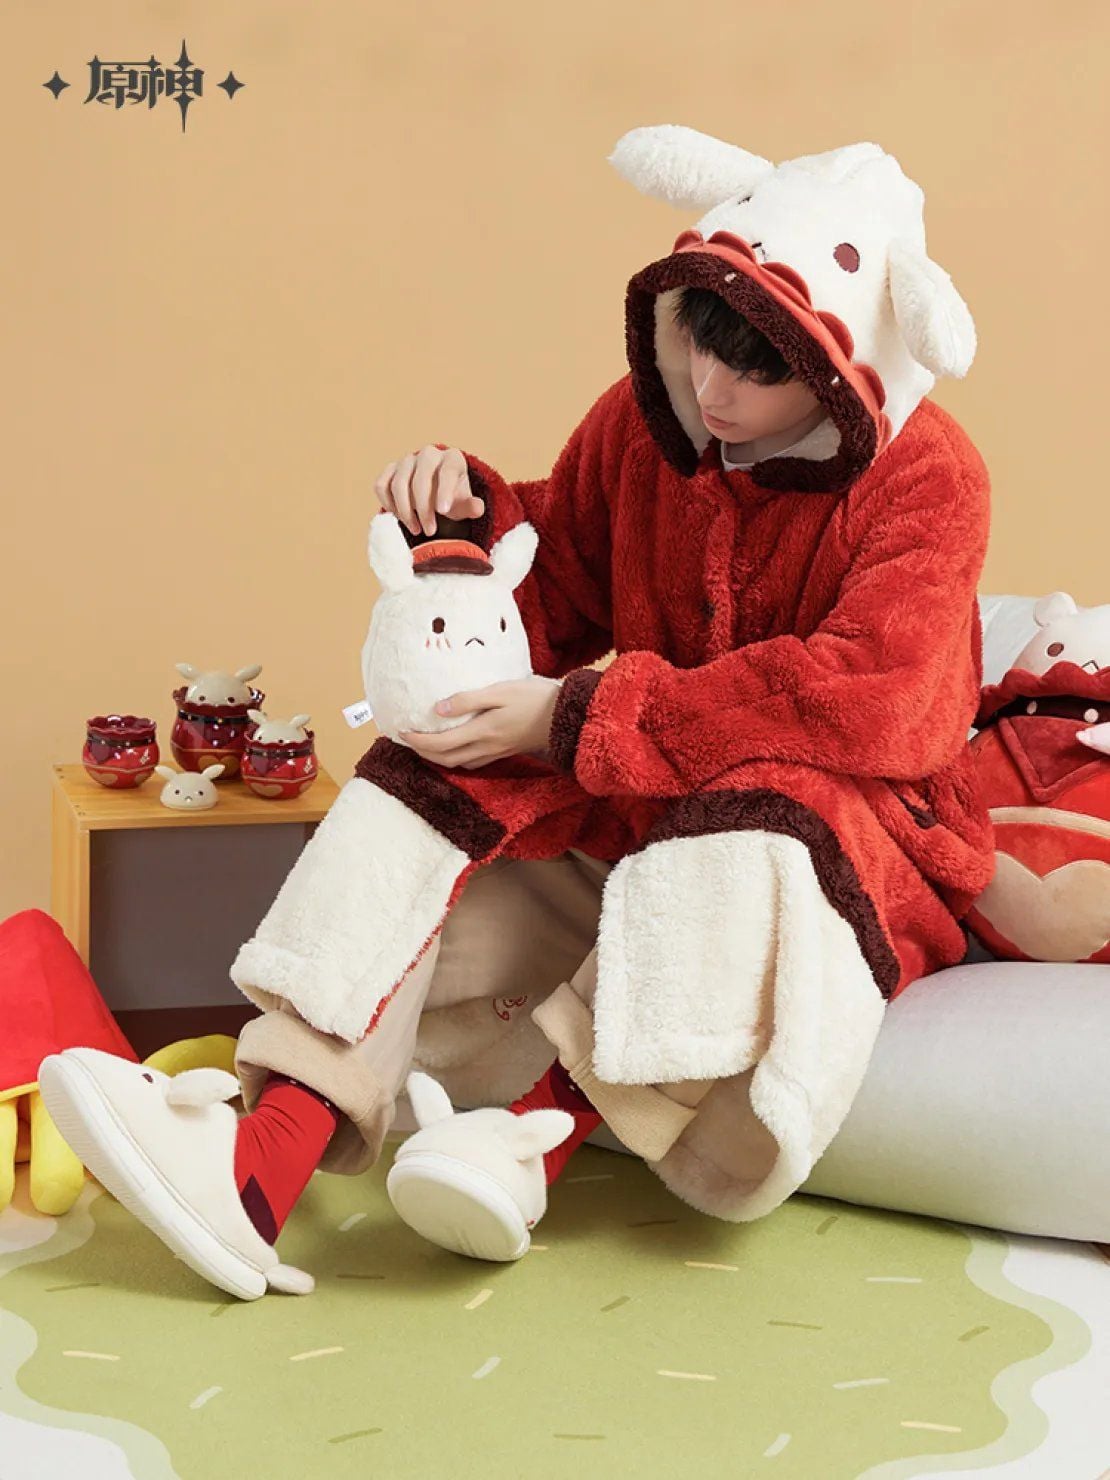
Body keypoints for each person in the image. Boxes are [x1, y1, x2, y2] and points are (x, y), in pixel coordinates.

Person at [38, 128, 994, 1301]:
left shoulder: (929, 479)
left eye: (757, 370)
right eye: (703, 340)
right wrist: (462, 532)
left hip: (858, 838)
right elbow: (557, 582)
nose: (712, 389)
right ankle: (256, 1163)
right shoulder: (650, 425)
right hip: (645, 798)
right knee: (433, 772)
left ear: (847, 371)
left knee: (763, 811)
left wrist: (576, 719)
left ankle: (523, 1144)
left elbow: (876, 696)